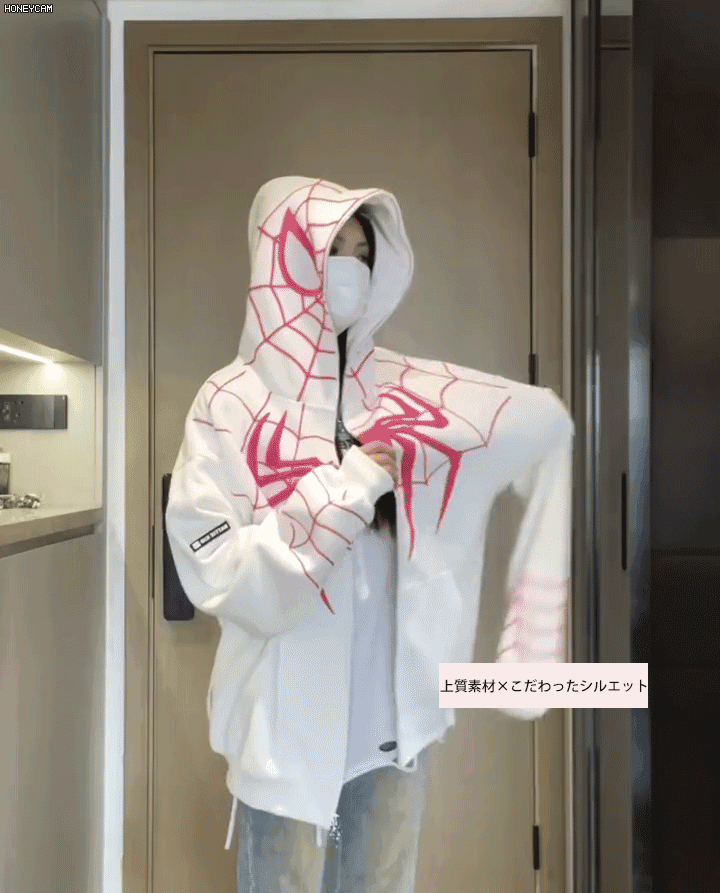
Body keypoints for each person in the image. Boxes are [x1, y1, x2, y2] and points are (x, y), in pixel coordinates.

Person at [165, 176, 574, 893]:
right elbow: (217, 566)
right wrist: (344, 489)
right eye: (335, 251)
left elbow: (529, 431)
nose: (351, 270)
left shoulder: (399, 390)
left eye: (364, 253)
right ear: (286, 256)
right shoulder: (229, 402)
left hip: (391, 725)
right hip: (284, 734)